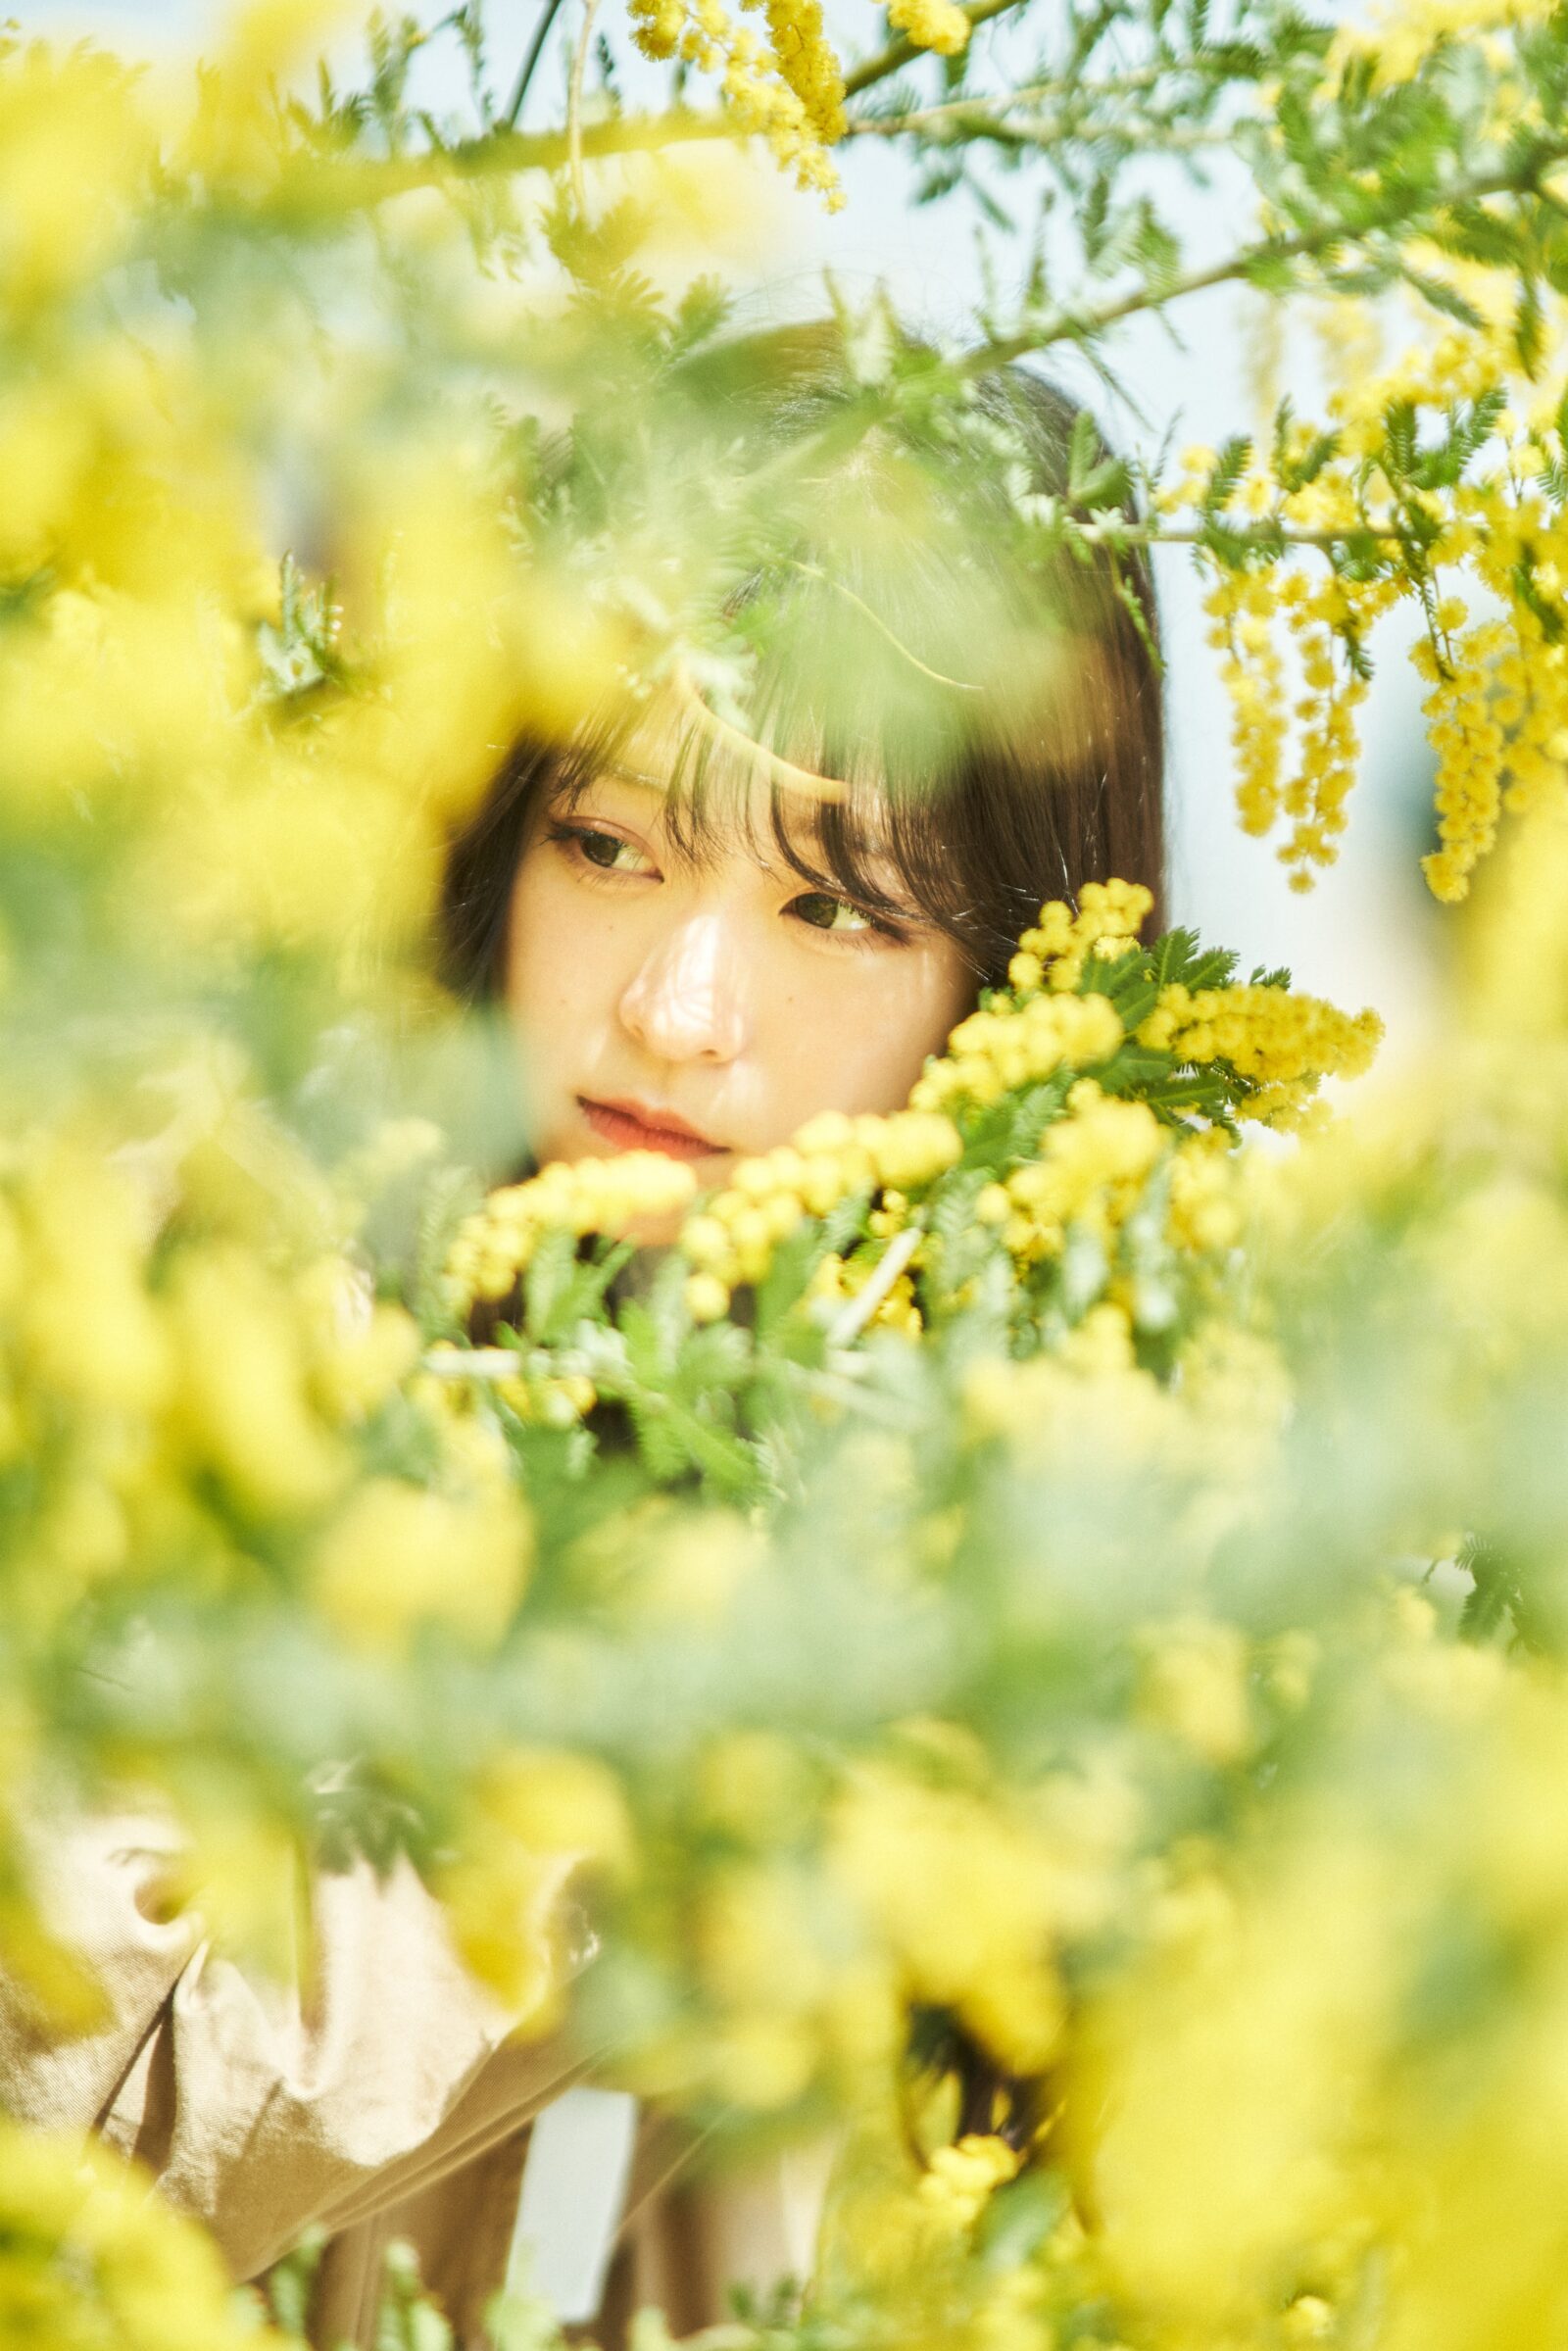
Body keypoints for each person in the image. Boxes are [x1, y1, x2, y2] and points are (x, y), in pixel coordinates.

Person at [0, 330, 1163, 2350]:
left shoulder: (935, 1487)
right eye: (608, 846)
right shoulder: (178, 1230)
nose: (677, 1012)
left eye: (837, 909)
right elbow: (70, 2143)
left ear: (1004, 1002)